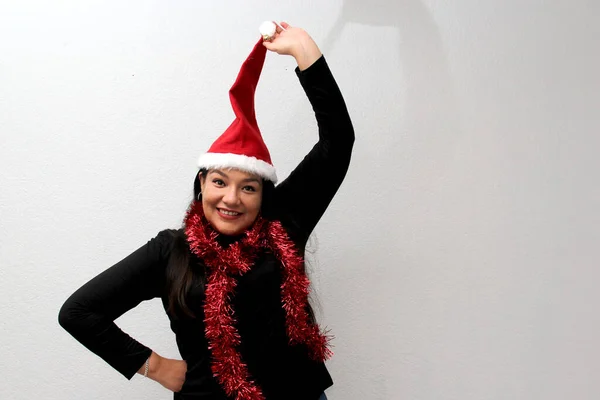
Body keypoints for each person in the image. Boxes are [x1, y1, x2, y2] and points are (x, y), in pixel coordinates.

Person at [59, 21, 354, 400]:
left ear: (264, 194)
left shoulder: (284, 221)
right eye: (219, 182)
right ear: (201, 184)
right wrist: (156, 366)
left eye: (248, 187)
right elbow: (79, 312)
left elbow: (338, 140)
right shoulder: (170, 251)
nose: (231, 198)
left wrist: (305, 51)